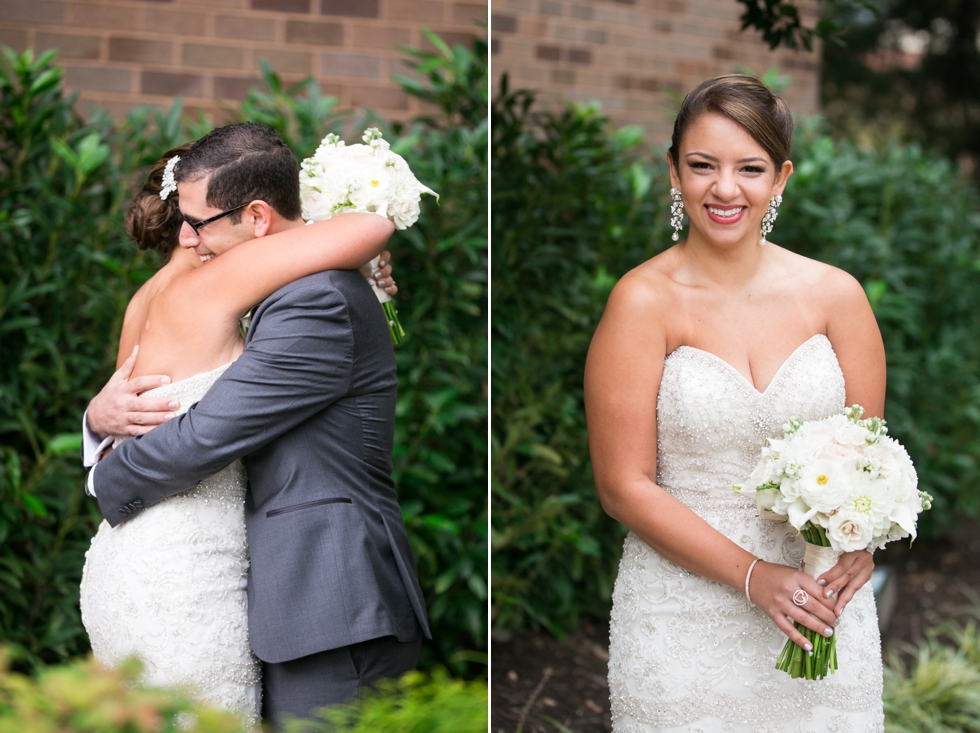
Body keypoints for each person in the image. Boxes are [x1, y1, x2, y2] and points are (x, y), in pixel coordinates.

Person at [80, 123, 430, 729]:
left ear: (259, 217)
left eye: (201, 223)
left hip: (329, 594)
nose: (191, 237)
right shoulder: (264, 291)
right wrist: (98, 425)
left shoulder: (313, 298)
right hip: (243, 584)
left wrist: (103, 470)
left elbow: (207, 432)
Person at [584, 75, 885, 731]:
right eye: (702, 165)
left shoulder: (838, 297)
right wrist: (755, 576)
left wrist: (865, 540)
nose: (725, 188)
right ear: (673, 170)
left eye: (750, 168)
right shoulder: (641, 302)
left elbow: (869, 461)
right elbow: (622, 486)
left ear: (781, 177)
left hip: (820, 606)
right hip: (680, 614)